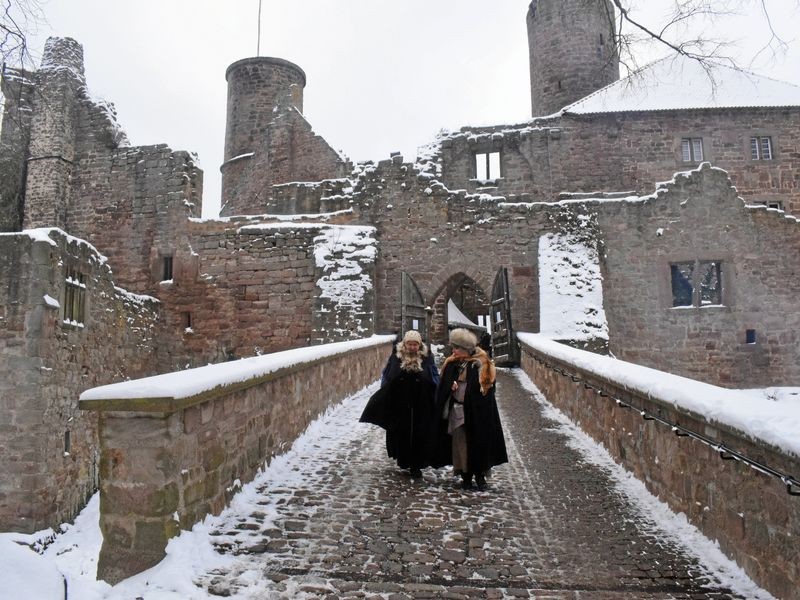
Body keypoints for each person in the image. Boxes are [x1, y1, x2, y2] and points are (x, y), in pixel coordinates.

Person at [360, 330, 440, 478]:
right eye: (409, 343)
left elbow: (433, 375)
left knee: (420, 432)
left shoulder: (427, 357)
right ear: (405, 344)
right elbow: (388, 376)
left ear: (419, 344)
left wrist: (436, 392)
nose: (412, 347)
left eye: (415, 344)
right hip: (401, 402)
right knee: (401, 431)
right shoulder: (396, 357)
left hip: (421, 402)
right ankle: (404, 459)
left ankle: (416, 465)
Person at [436, 327, 508, 490]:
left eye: (456, 348)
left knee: (479, 442)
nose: (453, 351)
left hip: (477, 412)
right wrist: (450, 385)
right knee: (460, 443)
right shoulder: (452, 363)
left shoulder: (482, 364)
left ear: (465, 349)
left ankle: (480, 475)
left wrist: (471, 392)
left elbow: (488, 388)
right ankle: (465, 475)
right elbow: (443, 385)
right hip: (458, 411)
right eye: (453, 347)